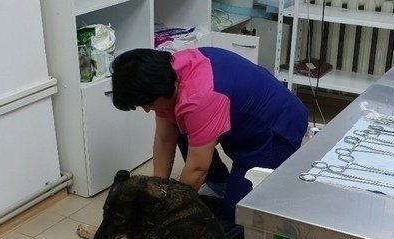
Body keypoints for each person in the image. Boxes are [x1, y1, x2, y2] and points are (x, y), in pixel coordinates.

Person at [110, 47, 308, 221]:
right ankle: (221, 183)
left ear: (161, 91)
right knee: (181, 127)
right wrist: (157, 191)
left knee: (238, 213)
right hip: (239, 118)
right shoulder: (165, 73)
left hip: (276, 128)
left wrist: (168, 211)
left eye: (147, 104)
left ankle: (245, 189)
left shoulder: (199, 97)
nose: (146, 110)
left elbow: (198, 168)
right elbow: (164, 139)